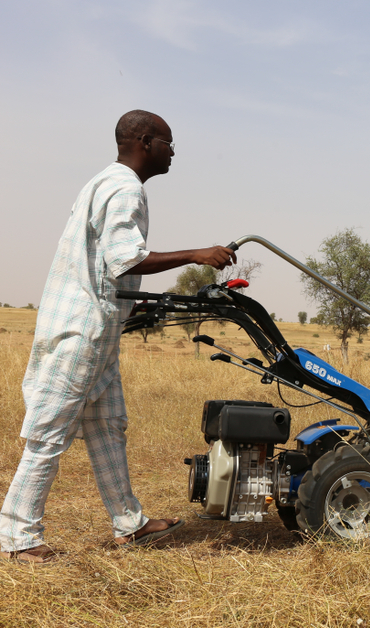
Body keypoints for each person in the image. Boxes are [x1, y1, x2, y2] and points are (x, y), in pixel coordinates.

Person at [1, 110, 237, 564]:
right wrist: (198, 254)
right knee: (50, 434)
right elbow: (123, 260)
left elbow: (104, 266)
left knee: (108, 427)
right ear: (146, 142)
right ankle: (17, 537)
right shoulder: (126, 188)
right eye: (168, 143)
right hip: (83, 331)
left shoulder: (103, 182)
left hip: (98, 328)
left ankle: (129, 524)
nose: (173, 153)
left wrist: (138, 304)